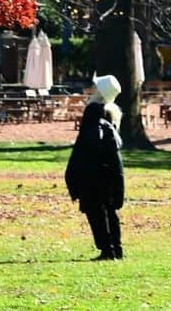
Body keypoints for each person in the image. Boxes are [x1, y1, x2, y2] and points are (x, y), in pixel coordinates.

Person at [64, 74, 125, 260]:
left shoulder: (93, 113)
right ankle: (115, 248)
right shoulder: (110, 114)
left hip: (94, 171)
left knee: (96, 212)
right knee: (108, 211)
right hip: (108, 171)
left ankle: (107, 249)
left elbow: (86, 146)